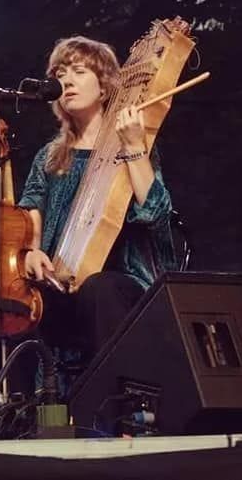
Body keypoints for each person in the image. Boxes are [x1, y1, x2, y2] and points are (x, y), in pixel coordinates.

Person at [17, 36, 176, 382]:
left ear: (104, 88)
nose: (66, 81)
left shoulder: (134, 143)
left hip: (125, 285)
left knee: (99, 288)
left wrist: (134, 146)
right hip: (65, 282)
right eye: (60, 73)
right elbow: (31, 207)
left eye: (78, 71)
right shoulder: (49, 157)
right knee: (34, 296)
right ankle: (52, 408)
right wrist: (30, 252)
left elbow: (155, 212)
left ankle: (121, 407)